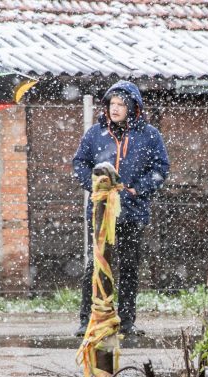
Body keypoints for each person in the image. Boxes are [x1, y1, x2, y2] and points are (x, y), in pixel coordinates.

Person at [72, 80, 170, 337]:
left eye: (120, 105)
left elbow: (161, 169)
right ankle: (89, 318)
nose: (114, 109)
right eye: (111, 104)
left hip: (133, 212)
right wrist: (96, 183)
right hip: (102, 212)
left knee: (129, 267)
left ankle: (126, 320)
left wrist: (139, 188)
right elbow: (80, 163)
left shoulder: (149, 135)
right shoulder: (95, 134)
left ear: (132, 107)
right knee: (97, 265)